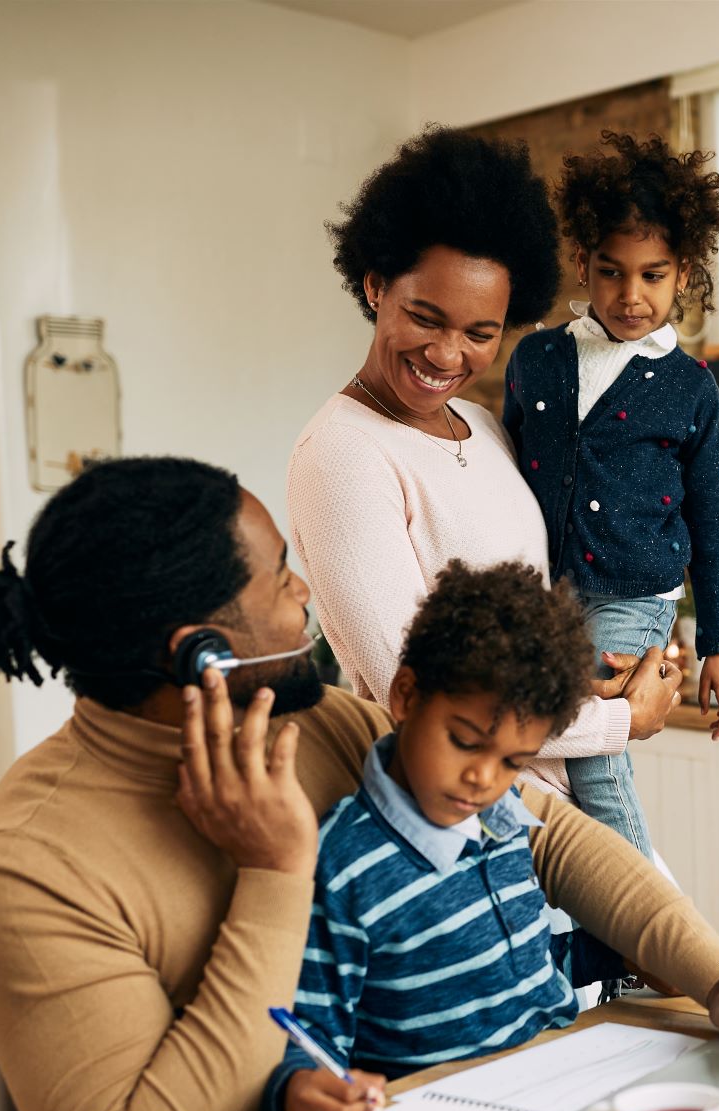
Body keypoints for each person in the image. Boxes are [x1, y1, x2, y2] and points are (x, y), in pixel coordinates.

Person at [0, 456, 719, 1111]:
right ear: (201, 649)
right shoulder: (31, 861)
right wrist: (277, 871)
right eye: (279, 577)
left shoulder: (319, 727)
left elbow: (547, 836)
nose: (304, 587)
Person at [286, 125, 673, 810]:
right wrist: (621, 720)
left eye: (480, 333)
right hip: (470, 823)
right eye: (425, 317)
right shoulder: (344, 454)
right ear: (376, 285)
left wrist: (607, 674)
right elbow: (417, 688)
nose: (446, 354)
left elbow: (522, 635)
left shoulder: (486, 427)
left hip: (561, 802)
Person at [270, 561, 627, 1111]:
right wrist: (301, 1086)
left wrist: (615, 955)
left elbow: (521, 974)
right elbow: (308, 1033)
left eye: (513, 762)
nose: (483, 780)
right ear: (406, 696)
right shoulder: (344, 863)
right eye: (465, 743)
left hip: (557, 1094)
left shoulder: (505, 826)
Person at [502, 130, 719, 859]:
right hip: (547, 596)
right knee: (546, 771)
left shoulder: (690, 387)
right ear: (584, 263)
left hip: (634, 598)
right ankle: (601, 944)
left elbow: (712, 519)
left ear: (684, 275)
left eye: (653, 274)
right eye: (611, 272)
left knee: (595, 764)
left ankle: (652, 935)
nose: (630, 295)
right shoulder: (537, 360)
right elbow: (504, 474)